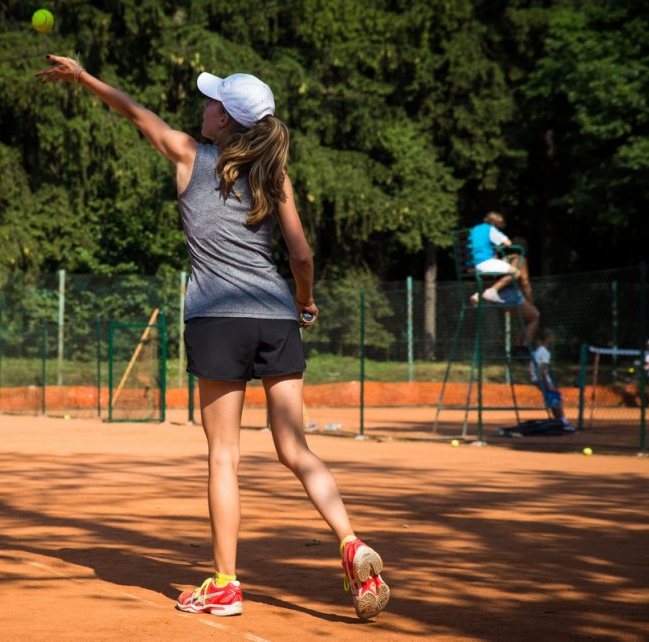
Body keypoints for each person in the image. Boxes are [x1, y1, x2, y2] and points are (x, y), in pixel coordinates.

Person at [37, 57, 389, 619]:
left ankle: (225, 586)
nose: (203, 106)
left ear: (224, 120)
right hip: (275, 317)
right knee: (295, 449)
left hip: (216, 319)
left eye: (211, 101)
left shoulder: (187, 155)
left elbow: (135, 114)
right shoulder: (275, 177)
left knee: (224, 456)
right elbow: (301, 255)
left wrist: (83, 78)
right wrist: (304, 300)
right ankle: (351, 541)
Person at [468, 211, 517, 305]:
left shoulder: (475, 229)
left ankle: (478, 295)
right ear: (495, 223)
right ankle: (492, 291)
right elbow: (508, 243)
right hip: (484, 262)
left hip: (473, 264)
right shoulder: (491, 229)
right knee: (515, 272)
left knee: (493, 277)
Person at [500, 236, 540, 352]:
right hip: (510, 295)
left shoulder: (505, 259)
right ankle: (525, 349)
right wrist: (530, 301)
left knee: (526, 319)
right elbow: (525, 283)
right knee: (535, 316)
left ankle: (517, 348)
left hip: (498, 296)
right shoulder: (520, 259)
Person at [530, 328, 574, 430]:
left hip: (536, 378)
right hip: (541, 379)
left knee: (553, 398)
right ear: (548, 338)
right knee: (555, 397)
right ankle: (563, 422)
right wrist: (547, 384)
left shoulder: (537, 350)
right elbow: (542, 370)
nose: (554, 338)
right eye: (552, 336)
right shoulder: (545, 352)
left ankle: (558, 422)